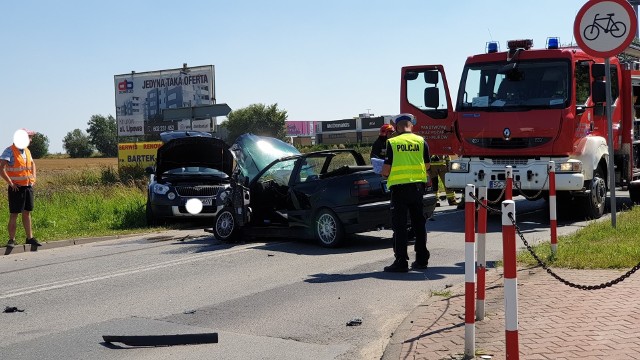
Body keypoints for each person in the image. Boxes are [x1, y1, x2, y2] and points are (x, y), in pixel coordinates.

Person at [381, 113, 430, 272]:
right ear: (411, 125)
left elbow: (386, 168)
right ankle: (422, 259)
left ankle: (401, 261)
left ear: (396, 127)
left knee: (400, 226)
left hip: (399, 190)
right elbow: (427, 165)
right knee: (419, 225)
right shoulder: (421, 141)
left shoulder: (393, 142)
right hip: (417, 189)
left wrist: (383, 173)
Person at [1, 128, 41, 252]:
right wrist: (10, 183)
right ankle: (11, 240)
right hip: (16, 188)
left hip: (28, 187)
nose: (31, 140)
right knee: (14, 214)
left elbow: (33, 164)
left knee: (27, 212)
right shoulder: (10, 151)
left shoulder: (27, 151)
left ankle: (30, 238)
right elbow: (1, 167)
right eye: (29, 137)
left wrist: (33, 177)